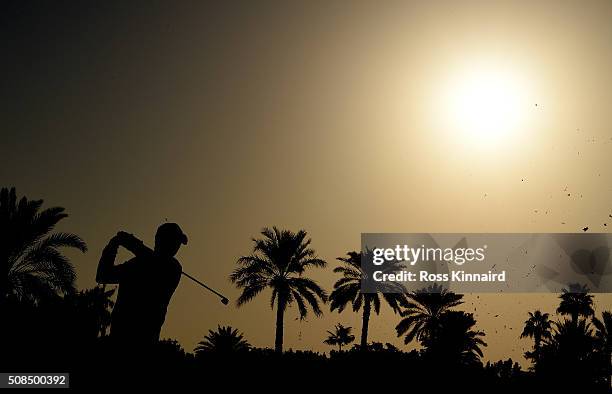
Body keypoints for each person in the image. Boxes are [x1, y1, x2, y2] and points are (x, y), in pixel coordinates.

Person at [96, 223, 187, 346]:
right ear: (161, 240)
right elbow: (103, 275)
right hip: (121, 336)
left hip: (146, 339)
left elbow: (153, 260)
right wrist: (112, 247)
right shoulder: (135, 264)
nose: (177, 247)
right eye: (174, 241)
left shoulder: (173, 267)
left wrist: (130, 242)